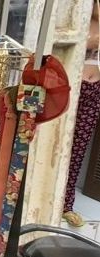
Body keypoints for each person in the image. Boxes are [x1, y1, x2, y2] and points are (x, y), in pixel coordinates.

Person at [62, 0, 100, 227]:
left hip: (93, 89)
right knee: (57, 145)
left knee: (77, 149)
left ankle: (67, 203)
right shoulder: (77, 18)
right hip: (69, 86)